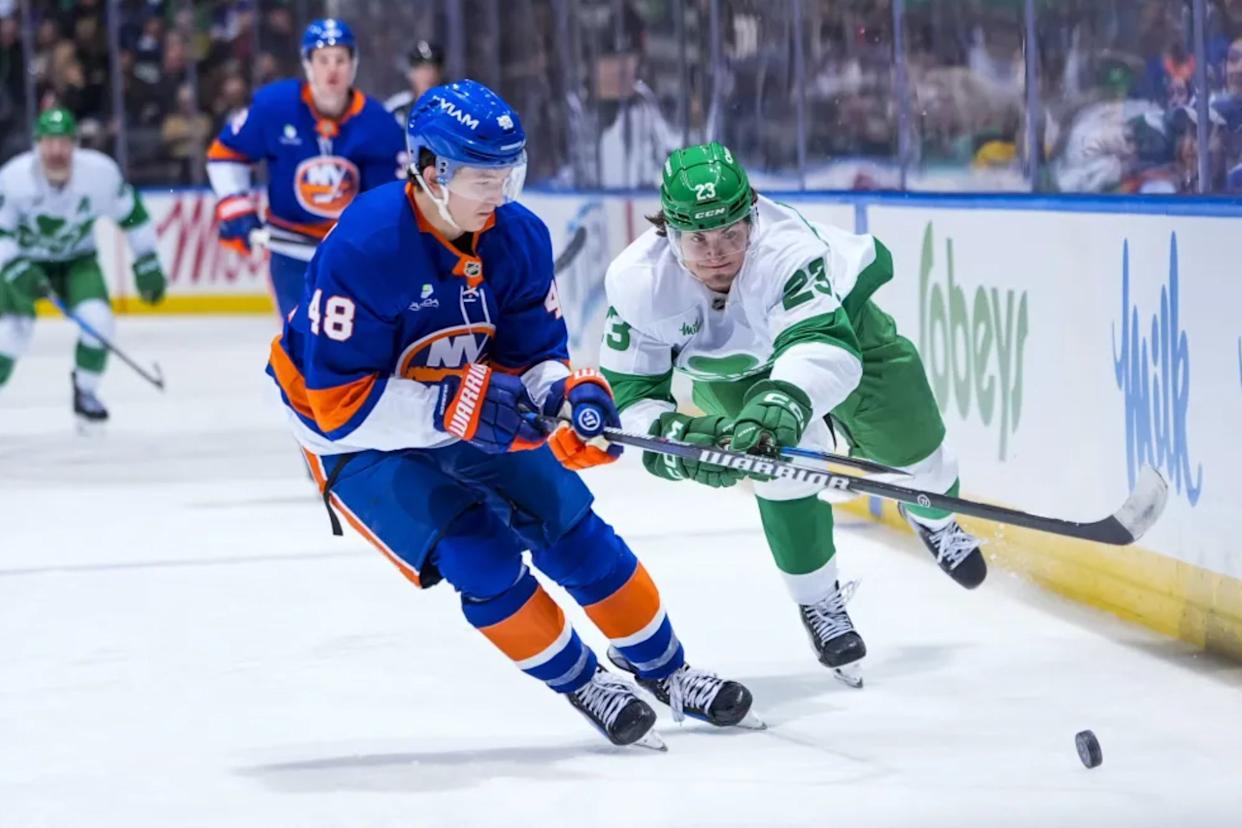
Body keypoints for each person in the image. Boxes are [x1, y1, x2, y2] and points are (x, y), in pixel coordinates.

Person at [265, 80, 757, 748]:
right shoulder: (365, 247)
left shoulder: (517, 235)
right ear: (431, 170)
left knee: (573, 527)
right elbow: (336, 407)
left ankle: (668, 671)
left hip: (461, 410)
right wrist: (458, 404)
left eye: (510, 174)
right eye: (484, 178)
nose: (500, 195)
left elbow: (534, 358)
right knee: (481, 558)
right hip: (358, 438)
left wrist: (566, 395)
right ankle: (585, 683)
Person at [598, 142, 987, 687]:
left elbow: (825, 348)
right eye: (698, 239)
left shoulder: (786, 248)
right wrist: (676, 444)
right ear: (668, 232)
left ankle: (935, 517)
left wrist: (782, 400)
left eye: (731, 234)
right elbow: (629, 397)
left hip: (840, 326)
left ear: (752, 217)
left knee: (914, 448)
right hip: (733, 372)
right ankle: (819, 602)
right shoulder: (639, 282)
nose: (717, 254)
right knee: (772, 466)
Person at [206, 18, 405, 320]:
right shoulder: (274, 106)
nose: (332, 69)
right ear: (307, 64)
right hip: (290, 253)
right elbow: (227, 153)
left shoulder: (379, 125)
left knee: (350, 346)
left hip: (349, 254)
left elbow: (389, 201)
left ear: (354, 64)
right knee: (301, 344)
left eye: (341, 59)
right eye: (323, 60)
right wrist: (237, 207)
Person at [0, 107, 166, 423]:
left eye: (64, 143)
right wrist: (15, 266)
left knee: (99, 322)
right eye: (49, 143)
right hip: (22, 261)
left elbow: (132, 214)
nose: (57, 151)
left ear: (75, 144)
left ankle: (86, 391)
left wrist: (147, 260)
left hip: (77, 262)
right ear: (37, 144)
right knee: (11, 333)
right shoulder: (13, 178)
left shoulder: (100, 174)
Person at [383, 40, 444, 128]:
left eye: (433, 68)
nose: (429, 75)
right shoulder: (396, 109)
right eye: (422, 69)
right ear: (411, 73)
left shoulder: (453, 110)